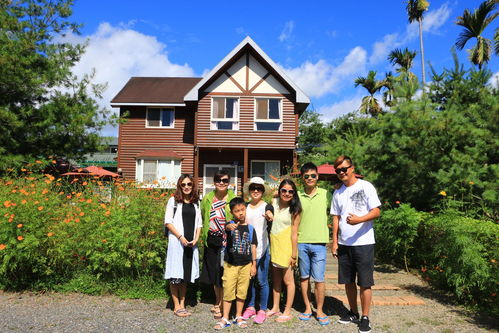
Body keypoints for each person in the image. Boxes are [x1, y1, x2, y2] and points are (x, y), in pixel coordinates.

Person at [330, 156, 381, 333]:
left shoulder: (366, 186)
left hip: (363, 243)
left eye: (344, 169)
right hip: (344, 244)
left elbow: (376, 211)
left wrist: (360, 219)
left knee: (365, 283)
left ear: (352, 168)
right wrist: (334, 241)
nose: (342, 173)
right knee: (348, 281)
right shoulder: (338, 192)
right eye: (338, 171)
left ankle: (365, 317)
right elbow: (335, 217)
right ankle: (353, 312)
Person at [214, 197, 257, 329]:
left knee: (242, 291)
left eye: (242, 209)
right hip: (230, 265)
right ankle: (225, 317)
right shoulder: (230, 225)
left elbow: (253, 246)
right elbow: (226, 228)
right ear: (232, 212)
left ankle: (239, 315)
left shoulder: (250, 228)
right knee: (228, 290)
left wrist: (254, 264)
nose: (240, 213)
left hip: (246, 265)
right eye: (237, 211)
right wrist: (229, 226)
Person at [297, 162, 331, 325]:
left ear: (317, 176)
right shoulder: (297, 195)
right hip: (302, 242)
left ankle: (320, 309)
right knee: (304, 278)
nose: (310, 178)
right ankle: (307, 308)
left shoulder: (326, 194)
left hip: (319, 243)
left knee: (319, 279)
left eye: (313, 175)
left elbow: (337, 212)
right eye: (306, 176)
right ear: (302, 178)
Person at [164, 174, 202, 317]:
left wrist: (196, 238)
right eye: (183, 184)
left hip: (191, 244)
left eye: (189, 184)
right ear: (180, 186)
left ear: (193, 186)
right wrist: (180, 237)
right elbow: (168, 222)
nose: (186, 187)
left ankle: (183, 303)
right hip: (177, 242)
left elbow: (199, 223)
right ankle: (176, 306)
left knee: (185, 274)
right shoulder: (173, 201)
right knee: (175, 274)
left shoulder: (196, 203)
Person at [199, 169, 236, 319]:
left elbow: (239, 215)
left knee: (225, 273)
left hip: (227, 240)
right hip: (212, 239)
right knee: (214, 272)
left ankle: (223, 304)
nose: (221, 183)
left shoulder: (234, 198)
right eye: (218, 180)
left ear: (229, 183)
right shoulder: (207, 198)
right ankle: (217, 301)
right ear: (214, 182)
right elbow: (203, 215)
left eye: (225, 180)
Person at [266, 179, 301, 323]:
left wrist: (294, 254)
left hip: (287, 247)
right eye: (284, 190)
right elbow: (266, 194)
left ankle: (287, 310)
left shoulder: (295, 210)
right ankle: (275, 307)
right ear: (279, 191)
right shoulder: (273, 204)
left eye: (290, 191)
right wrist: (271, 203)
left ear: (294, 194)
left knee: (288, 281)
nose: (287, 194)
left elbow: (294, 234)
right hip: (274, 246)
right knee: (276, 280)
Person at [240, 177, 274, 324]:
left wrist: (270, 216)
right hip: (247, 250)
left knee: (262, 280)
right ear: (249, 190)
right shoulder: (245, 206)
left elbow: (271, 215)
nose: (255, 191)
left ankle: (263, 309)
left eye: (259, 188)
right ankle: (251, 307)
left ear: (263, 191)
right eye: (253, 188)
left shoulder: (267, 206)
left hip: (262, 249)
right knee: (250, 280)